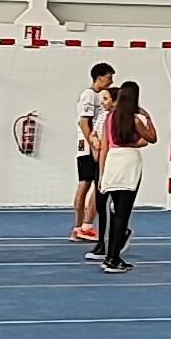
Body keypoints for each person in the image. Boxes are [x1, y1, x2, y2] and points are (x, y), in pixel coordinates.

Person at [90, 83, 148, 271]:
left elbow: (105, 147)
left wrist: (101, 174)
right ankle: (113, 258)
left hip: (113, 164)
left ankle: (110, 255)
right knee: (123, 213)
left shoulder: (109, 118)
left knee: (115, 213)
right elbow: (149, 138)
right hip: (129, 164)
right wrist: (147, 118)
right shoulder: (135, 118)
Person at [73, 62, 114, 249]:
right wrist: (94, 147)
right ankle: (82, 225)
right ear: (99, 78)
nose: (111, 80)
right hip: (89, 146)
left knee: (86, 183)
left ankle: (79, 227)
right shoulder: (89, 95)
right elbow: (84, 122)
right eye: (108, 77)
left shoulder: (96, 96)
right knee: (89, 184)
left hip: (89, 145)